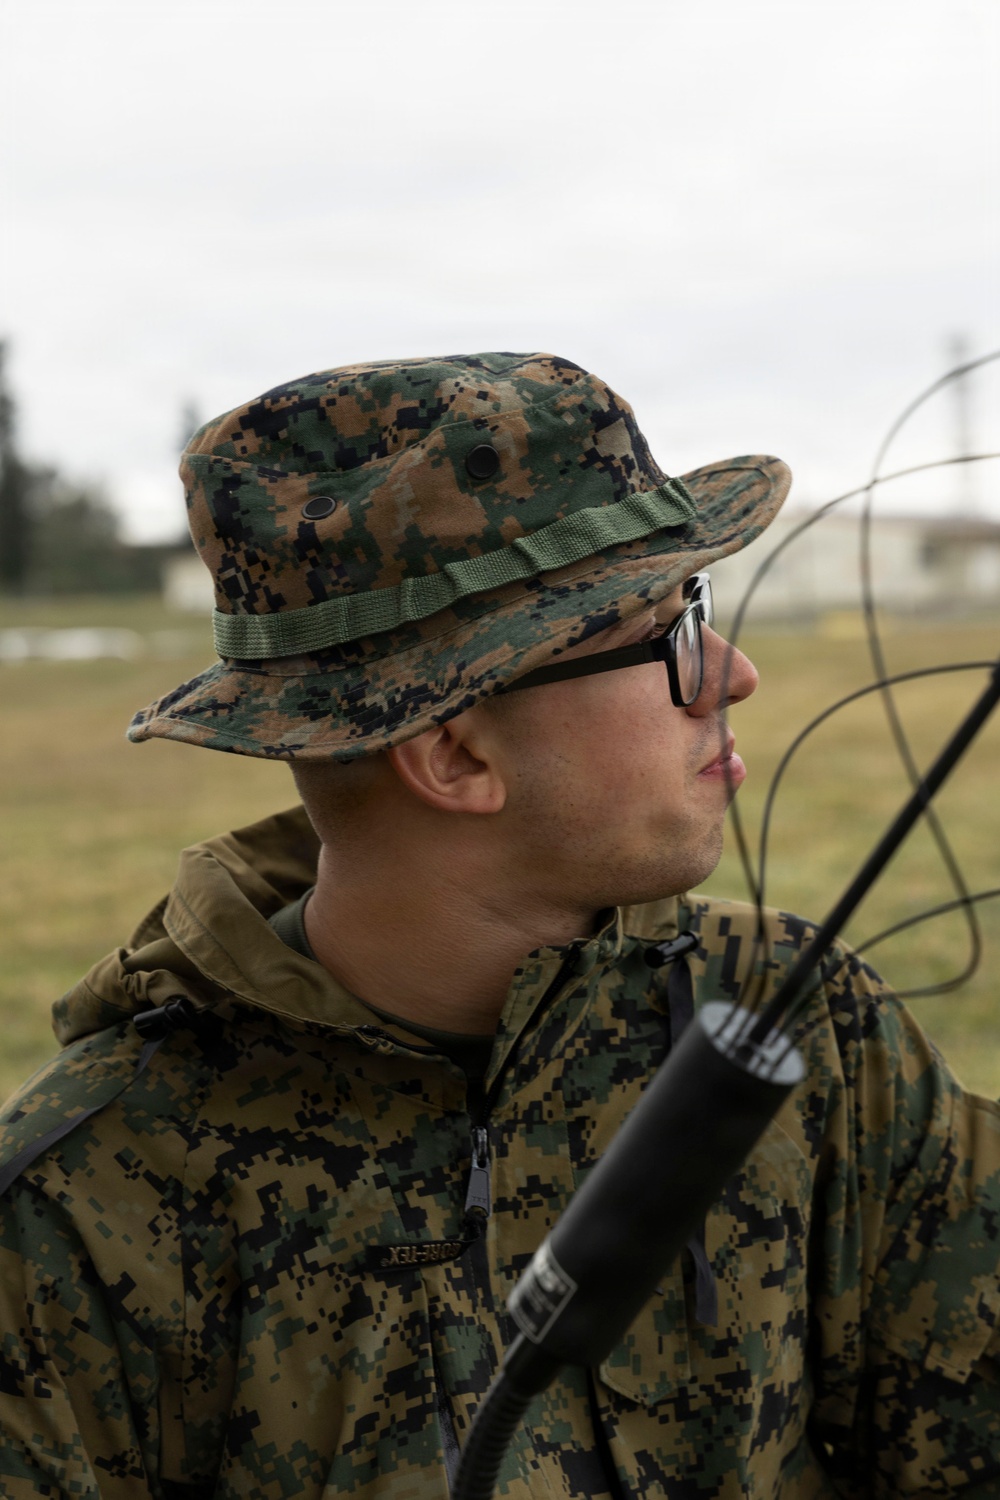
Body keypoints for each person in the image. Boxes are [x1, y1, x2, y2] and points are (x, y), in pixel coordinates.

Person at [0, 352, 997, 1500]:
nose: (732, 673)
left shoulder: (794, 1033)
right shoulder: (82, 1215)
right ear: (455, 752)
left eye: (701, 609)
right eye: (665, 635)